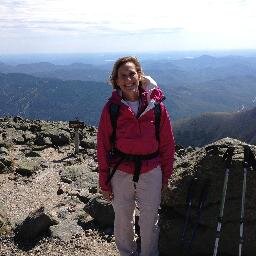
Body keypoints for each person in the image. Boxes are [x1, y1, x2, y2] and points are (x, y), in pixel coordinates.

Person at [97, 56, 175, 256]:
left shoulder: (156, 106)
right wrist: (104, 181)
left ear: (139, 75)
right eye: (122, 76)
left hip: (152, 171)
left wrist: (166, 175)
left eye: (131, 73)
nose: (128, 79)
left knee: (150, 221)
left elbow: (167, 143)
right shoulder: (112, 108)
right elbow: (103, 146)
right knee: (123, 221)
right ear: (116, 80)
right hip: (121, 172)